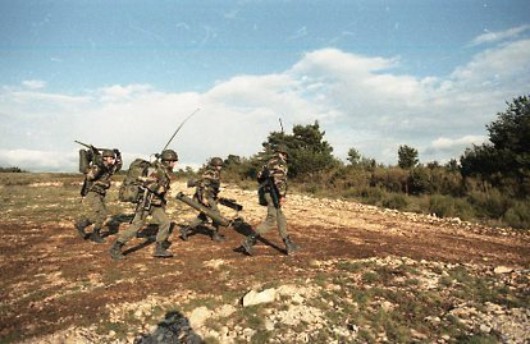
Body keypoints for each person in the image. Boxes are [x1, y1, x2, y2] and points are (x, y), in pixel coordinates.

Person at [109, 149, 178, 260]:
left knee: (165, 222)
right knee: (136, 226)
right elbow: (149, 183)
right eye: (173, 161)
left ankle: (159, 248)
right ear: (168, 161)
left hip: (155, 204)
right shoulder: (155, 169)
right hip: (146, 203)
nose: (175, 164)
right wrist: (160, 189)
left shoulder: (164, 171)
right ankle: (116, 247)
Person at [241, 144, 300, 256]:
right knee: (271, 220)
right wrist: (282, 195)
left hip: (266, 192)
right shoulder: (280, 163)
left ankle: (288, 244)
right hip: (274, 193)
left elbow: (259, 177)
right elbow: (278, 179)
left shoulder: (267, 163)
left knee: (280, 217)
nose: (286, 158)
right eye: (286, 156)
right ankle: (249, 240)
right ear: (283, 154)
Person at [75, 149, 122, 243]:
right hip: (93, 193)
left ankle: (81, 224)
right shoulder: (98, 166)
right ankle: (95, 234)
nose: (112, 160)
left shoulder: (109, 168)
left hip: (100, 194)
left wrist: (119, 155)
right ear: (104, 158)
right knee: (102, 215)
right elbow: (90, 177)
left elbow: (118, 166)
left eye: (113, 158)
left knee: (97, 215)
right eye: (110, 158)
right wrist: (99, 167)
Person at [180, 157, 225, 242]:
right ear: (214, 166)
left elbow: (213, 186)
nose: (220, 167)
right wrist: (204, 198)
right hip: (207, 197)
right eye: (219, 166)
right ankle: (215, 235)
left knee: (203, 216)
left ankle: (185, 230)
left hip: (210, 196)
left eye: (221, 166)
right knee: (216, 215)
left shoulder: (215, 173)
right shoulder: (210, 173)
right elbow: (204, 186)